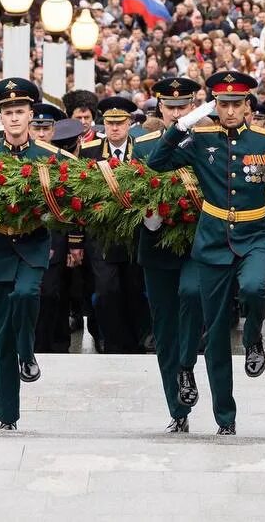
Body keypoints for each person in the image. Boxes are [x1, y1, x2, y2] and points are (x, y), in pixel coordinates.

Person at [148, 70, 265, 436]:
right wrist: (183, 124)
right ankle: (224, 418)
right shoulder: (200, 137)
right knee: (213, 335)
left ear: (247, 106)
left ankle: (254, 338)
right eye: (223, 104)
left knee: (256, 288)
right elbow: (158, 162)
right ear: (215, 106)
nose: (229, 111)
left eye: (236, 104)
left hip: (255, 234)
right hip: (213, 240)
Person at [0, 78, 75, 430]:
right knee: (0, 334)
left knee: (28, 294)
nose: (15, 118)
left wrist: (49, 210)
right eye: (8, 112)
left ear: (31, 115)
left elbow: (68, 200)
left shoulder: (50, 157)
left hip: (31, 244)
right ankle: (7, 413)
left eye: (20, 112)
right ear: (0, 118)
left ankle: (27, 353)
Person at [131, 76, 206, 433]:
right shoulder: (142, 144)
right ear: (159, 108)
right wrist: (148, 215)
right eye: (170, 107)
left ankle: (187, 366)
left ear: (193, 107)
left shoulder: (209, 140)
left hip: (197, 242)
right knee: (163, 328)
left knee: (192, 295)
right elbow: (131, 191)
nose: (176, 113)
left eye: (182, 107)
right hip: (157, 243)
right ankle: (177, 408)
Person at [79, 96, 151, 353]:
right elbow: (80, 194)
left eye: (120, 123)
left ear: (130, 123)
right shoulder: (90, 152)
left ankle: (136, 341)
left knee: (134, 289)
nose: (114, 128)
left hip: (134, 233)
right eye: (110, 123)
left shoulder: (142, 149)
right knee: (107, 290)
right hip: (102, 235)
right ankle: (112, 342)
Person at [29, 103, 81, 354]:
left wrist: (74, 242)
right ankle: (34, 345)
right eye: (36, 128)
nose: (41, 134)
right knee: (32, 293)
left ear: (53, 131)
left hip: (56, 237)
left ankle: (56, 346)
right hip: (26, 235)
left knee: (53, 292)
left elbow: (74, 205)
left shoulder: (65, 161)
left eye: (46, 128)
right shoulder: (20, 157)